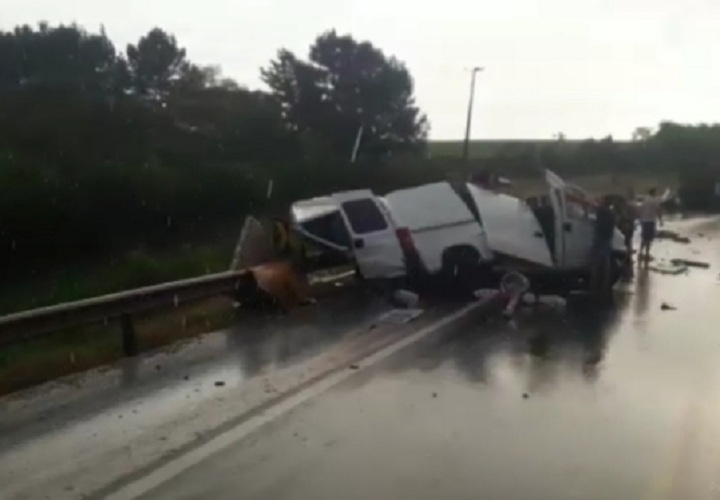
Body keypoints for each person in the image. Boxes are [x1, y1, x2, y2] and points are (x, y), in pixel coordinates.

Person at [590, 196, 617, 297]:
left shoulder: (601, 211)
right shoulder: (611, 214)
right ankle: (604, 288)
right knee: (606, 265)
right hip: (607, 240)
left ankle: (593, 287)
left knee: (595, 265)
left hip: (599, 240)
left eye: (602, 200)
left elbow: (591, 206)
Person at [637, 188, 663, 262]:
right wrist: (661, 220)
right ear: (654, 193)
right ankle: (647, 253)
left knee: (644, 238)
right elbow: (658, 210)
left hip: (644, 221)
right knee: (649, 239)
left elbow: (640, 210)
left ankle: (640, 252)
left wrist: (640, 220)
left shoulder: (645, 200)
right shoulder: (655, 201)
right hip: (651, 221)